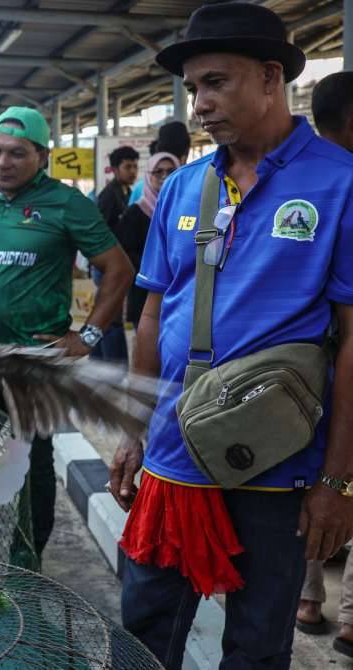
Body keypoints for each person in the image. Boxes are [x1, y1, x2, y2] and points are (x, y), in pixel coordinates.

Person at [107, 4, 353, 668]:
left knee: (257, 644)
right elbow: (152, 313)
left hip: (276, 466)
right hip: (173, 454)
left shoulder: (340, 183)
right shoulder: (186, 184)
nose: (200, 104)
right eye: (192, 90)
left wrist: (338, 479)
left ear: (271, 77)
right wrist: (133, 425)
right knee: (141, 629)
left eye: (215, 82)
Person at [0, 106, 132, 564]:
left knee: (33, 465)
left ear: (42, 157)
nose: (3, 163)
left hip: (37, 361)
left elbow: (118, 269)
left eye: (17, 154)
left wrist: (86, 336)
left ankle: (26, 554)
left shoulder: (66, 204)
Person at [295, 69, 353, 654]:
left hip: (302, 380)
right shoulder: (347, 184)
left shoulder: (287, 181)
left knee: (314, 485)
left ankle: (308, 597)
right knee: (343, 482)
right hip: (340, 372)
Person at [114, 152, 179, 329]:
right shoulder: (136, 212)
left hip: (178, 291)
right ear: (149, 176)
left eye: (171, 171)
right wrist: (156, 267)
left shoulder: (185, 208)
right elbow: (125, 252)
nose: (165, 177)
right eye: (158, 172)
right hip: (145, 291)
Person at [90, 145, 139, 365]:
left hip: (118, 265)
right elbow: (97, 232)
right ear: (115, 170)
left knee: (108, 316)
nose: (133, 171)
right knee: (111, 320)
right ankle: (114, 369)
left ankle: (97, 361)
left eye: (135, 166)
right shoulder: (108, 196)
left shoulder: (126, 192)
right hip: (106, 268)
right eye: (127, 166)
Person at [128, 121, 192, 205]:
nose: (164, 176)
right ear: (184, 158)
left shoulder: (141, 187)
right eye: (158, 172)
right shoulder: (193, 185)